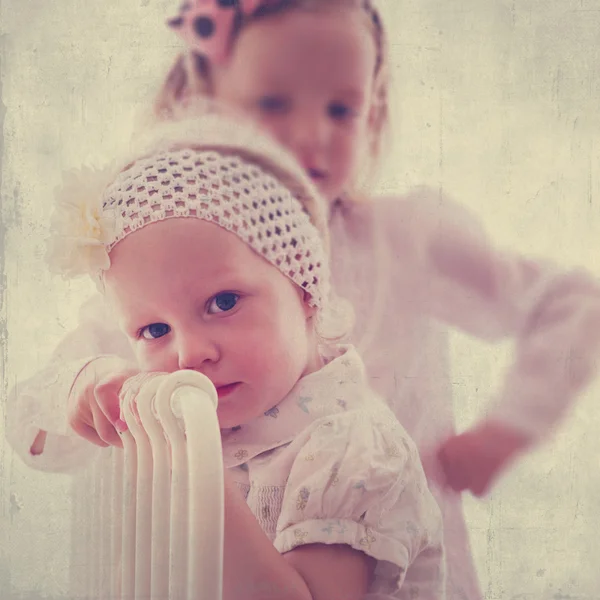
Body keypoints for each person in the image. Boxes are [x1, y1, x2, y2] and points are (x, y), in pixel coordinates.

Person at [7, 1, 600, 598]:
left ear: (374, 112)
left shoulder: (409, 237)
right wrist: (84, 390)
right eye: (272, 102)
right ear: (203, 100)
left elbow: (572, 301)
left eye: (341, 108)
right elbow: (35, 430)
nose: (310, 134)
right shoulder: (164, 266)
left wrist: (508, 428)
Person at [46, 111, 446, 599]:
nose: (189, 352)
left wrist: (193, 467)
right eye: (154, 329)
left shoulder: (349, 448)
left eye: (224, 302)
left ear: (304, 290)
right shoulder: (211, 419)